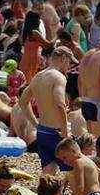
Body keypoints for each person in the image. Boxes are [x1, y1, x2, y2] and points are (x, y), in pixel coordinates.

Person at [18, 47, 74, 175]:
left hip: (42, 132)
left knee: (49, 175)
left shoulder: (38, 76)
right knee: (74, 172)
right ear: (63, 58)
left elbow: (22, 102)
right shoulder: (59, 77)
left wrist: (35, 124)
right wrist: (65, 130)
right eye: (69, 62)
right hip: (56, 133)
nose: (69, 67)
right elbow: (60, 104)